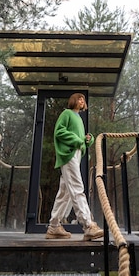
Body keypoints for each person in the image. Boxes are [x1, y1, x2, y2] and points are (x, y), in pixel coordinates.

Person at [45, 93, 104, 241]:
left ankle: (54, 227)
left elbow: (79, 140)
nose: (82, 101)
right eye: (79, 98)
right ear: (73, 101)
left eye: (83, 99)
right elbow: (59, 132)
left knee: (64, 192)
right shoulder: (67, 113)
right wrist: (78, 140)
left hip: (76, 155)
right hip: (69, 155)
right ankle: (88, 225)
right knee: (77, 187)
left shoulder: (79, 118)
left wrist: (86, 140)